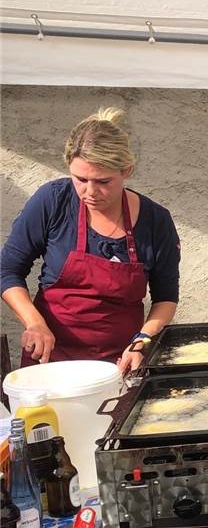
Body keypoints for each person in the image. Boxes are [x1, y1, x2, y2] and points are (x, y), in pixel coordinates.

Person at [1, 108, 180, 374]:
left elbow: (166, 298)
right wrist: (34, 323)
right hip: (51, 362)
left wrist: (142, 340)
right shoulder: (53, 201)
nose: (90, 192)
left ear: (126, 170)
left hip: (120, 363)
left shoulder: (156, 220)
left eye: (103, 181)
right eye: (80, 179)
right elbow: (7, 271)